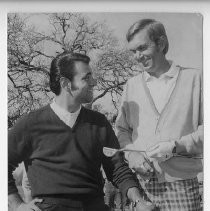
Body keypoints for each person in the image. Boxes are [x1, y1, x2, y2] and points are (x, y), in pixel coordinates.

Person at [8, 52, 156, 211]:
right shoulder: (30, 123)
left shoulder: (99, 123)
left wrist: (138, 201)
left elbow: (117, 169)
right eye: (86, 78)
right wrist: (18, 205)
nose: (94, 82)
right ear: (66, 84)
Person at [116, 19, 203, 211]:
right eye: (133, 51)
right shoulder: (131, 85)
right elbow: (122, 129)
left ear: (161, 43)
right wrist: (132, 155)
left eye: (142, 48)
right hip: (141, 186)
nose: (137, 56)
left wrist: (175, 146)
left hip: (182, 184)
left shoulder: (196, 79)